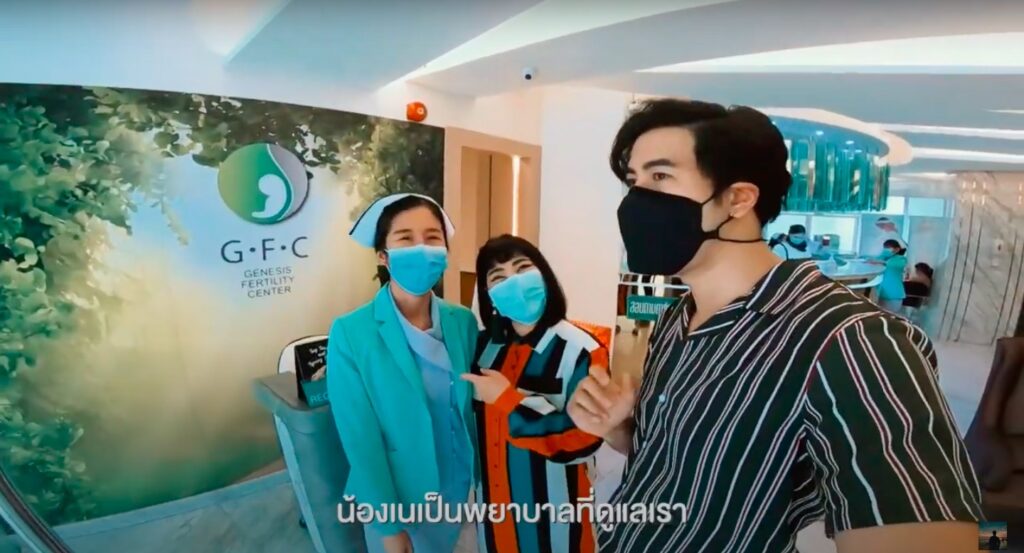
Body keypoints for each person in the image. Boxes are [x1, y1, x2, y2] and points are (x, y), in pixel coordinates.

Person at [566, 98, 982, 553]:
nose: (637, 200)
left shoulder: (851, 339)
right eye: (634, 181)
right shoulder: (675, 320)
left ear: (738, 199)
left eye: (661, 176)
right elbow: (690, 468)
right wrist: (620, 430)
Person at [326, 193, 479, 553]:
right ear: (383, 255)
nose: (421, 248)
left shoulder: (462, 322)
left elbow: (471, 409)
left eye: (432, 237)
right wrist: (388, 527)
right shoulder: (351, 333)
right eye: (405, 238)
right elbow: (360, 440)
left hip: (462, 488)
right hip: (400, 499)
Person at [462, 234, 605, 553]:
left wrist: (508, 400)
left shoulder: (582, 350)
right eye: (498, 277)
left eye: (522, 268)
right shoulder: (484, 349)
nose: (513, 281)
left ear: (544, 274)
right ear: (489, 296)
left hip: (556, 518)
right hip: (494, 513)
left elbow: (585, 438)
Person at [870, 238, 909, 313]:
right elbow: (871, 261)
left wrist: (881, 261)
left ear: (897, 249)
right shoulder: (884, 258)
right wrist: (882, 257)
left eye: (889, 248)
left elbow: (893, 265)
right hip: (882, 294)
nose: (886, 250)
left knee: (890, 316)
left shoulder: (901, 259)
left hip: (894, 295)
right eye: (885, 248)